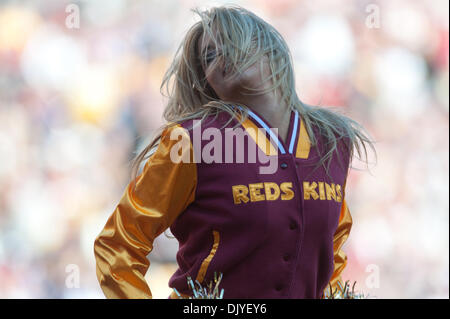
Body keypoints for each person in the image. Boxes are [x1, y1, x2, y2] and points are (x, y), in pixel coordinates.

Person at [93, 5, 376, 299]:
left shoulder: (332, 139)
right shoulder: (191, 141)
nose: (221, 58)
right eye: (210, 57)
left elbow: (332, 253)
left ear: (270, 49)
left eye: (233, 41)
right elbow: (117, 244)